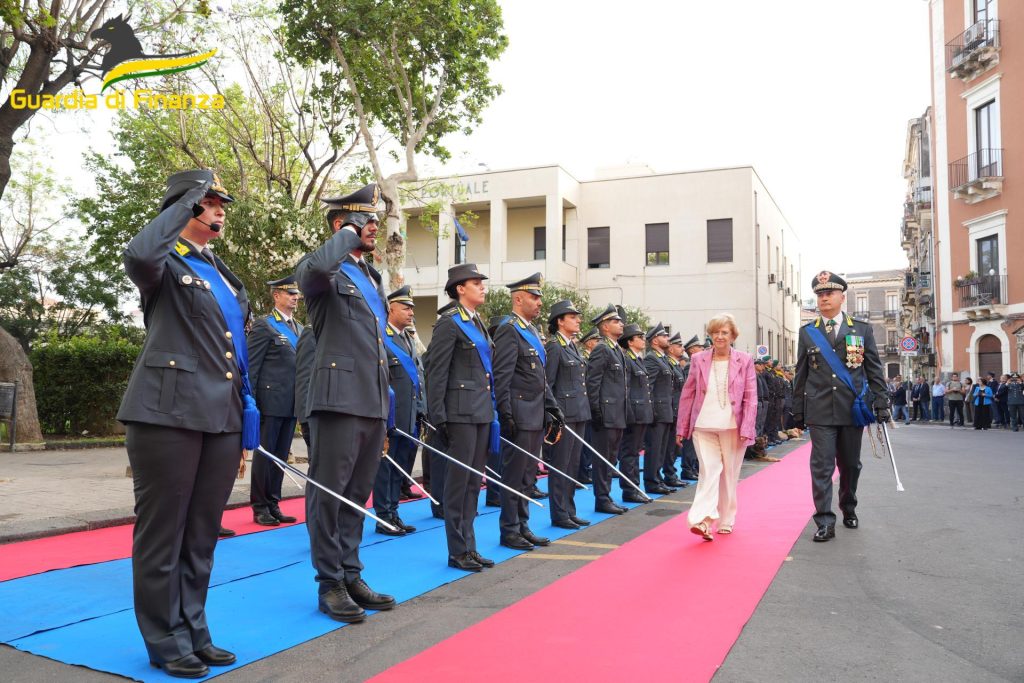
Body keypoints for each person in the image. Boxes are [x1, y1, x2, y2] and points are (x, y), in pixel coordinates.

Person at [117, 170, 244, 677]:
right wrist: (186, 197)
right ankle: (164, 637)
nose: (217, 212)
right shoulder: (163, 263)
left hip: (221, 413)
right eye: (207, 203)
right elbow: (139, 255)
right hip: (167, 413)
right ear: (185, 208)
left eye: (219, 205)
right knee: (163, 535)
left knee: (200, 535)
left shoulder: (220, 271)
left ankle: (193, 627)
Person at [297, 183, 395, 623]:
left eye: (373, 219)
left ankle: (351, 572)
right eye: (362, 220)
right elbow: (312, 270)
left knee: (357, 494)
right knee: (329, 493)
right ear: (340, 226)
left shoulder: (371, 277)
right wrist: (346, 233)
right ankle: (329, 581)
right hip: (337, 400)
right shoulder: (326, 272)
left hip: (370, 400)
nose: (373, 226)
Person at [792, 271, 889, 543]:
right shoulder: (808, 333)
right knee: (821, 466)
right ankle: (824, 520)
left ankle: (848, 505)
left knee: (850, 465)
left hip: (851, 409)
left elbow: (874, 370)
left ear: (841, 297)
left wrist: (881, 401)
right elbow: (801, 373)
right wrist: (797, 409)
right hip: (820, 410)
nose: (824, 298)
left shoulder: (861, 329)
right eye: (820, 294)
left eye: (829, 294)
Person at [425, 264, 499, 573]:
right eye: (476, 282)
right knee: (457, 486)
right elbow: (436, 371)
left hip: (480, 412)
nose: (482, 287)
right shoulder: (449, 323)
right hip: (459, 414)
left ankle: (470, 546)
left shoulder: (477, 322)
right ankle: (457, 551)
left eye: (482, 282)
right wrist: (438, 418)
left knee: (472, 485)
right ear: (460, 289)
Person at [492, 273, 562, 551]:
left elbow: (540, 379)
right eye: (534, 297)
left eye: (539, 298)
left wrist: (551, 408)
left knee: (527, 477)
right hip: (519, 415)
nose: (539, 303)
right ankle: (509, 530)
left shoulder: (532, 331)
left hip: (535, 414)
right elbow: (503, 376)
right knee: (514, 476)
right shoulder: (510, 329)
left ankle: (523, 525)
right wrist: (506, 414)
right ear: (518, 299)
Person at [675, 313, 757, 540]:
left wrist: (747, 428)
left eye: (724, 332)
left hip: (732, 426)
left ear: (732, 336)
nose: (719, 337)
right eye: (715, 332)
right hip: (703, 424)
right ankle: (702, 520)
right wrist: (682, 427)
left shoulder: (745, 360)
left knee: (729, 474)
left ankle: (727, 519)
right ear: (710, 335)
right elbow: (688, 394)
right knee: (709, 471)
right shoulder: (698, 359)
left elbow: (751, 397)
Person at [247, 275, 303, 527]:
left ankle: (273, 503)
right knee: (265, 456)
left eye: (296, 294)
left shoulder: (300, 329)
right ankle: (260, 506)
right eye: (289, 293)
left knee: (280, 456)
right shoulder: (264, 325)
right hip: (269, 402)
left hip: (290, 403)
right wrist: (252, 403)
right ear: (276, 295)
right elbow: (252, 367)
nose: (295, 297)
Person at [372, 286, 425, 536]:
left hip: (409, 416)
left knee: (400, 467)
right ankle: (383, 517)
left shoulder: (407, 338)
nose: (411, 312)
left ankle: (394, 512)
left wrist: (421, 410)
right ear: (390, 309)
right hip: (390, 417)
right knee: (386, 469)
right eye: (406, 307)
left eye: (412, 308)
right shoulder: (381, 337)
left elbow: (418, 379)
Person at [544, 300, 592, 530]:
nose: (578, 320)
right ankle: (559, 513)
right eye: (573, 317)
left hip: (578, 413)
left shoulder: (572, 346)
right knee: (560, 465)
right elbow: (548, 384)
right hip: (564, 415)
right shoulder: (554, 347)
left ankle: (569, 510)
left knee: (572, 466)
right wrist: (553, 415)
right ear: (560, 321)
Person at [585, 304, 630, 515]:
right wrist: (596, 412)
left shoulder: (616, 350)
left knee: (610, 458)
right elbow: (592, 383)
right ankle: (601, 499)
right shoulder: (602, 349)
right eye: (615, 321)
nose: (621, 323)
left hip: (617, 414)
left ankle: (606, 496)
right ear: (604, 326)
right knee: (602, 459)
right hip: (605, 414)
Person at [618, 323, 658, 501]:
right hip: (634, 412)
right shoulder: (627, 360)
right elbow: (625, 388)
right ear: (630, 341)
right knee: (629, 452)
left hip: (642, 412)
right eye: (640, 337)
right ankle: (629, 489)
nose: (643, 340)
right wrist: (630, 413)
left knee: (634, 452)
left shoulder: (638, 359)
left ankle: (635, 486)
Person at [645, 323, 686, 490]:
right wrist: (653, 411)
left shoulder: (661, 359)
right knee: (655, 449)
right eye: (664, 336)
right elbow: (649, 388)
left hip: (667, 410)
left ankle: (658, 479)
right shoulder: (651, 359)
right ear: (655, 340)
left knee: (662, 449)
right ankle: (652, 481)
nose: (667, 339)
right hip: (659, 412)